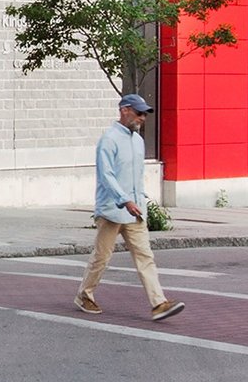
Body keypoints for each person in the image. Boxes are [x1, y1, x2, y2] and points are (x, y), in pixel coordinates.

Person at [75, 93, 184, 322]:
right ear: (124, 110)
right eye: (139, 112)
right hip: (112, 210)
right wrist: (125, 200)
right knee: (102, 257)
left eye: (144, 114)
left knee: (145, 256)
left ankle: (159, 304)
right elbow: (106, 176)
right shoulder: (109, 139)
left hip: (136, 211)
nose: (143, 118)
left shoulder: (138, 141)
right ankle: (84, 295)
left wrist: (140, 201)